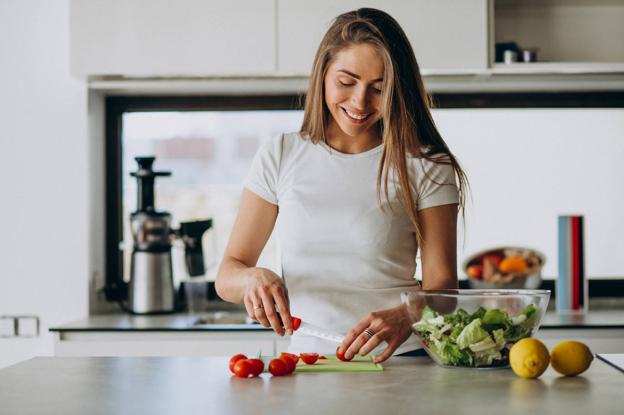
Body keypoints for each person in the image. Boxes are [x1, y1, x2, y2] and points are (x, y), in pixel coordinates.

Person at [215, 8, 468, 363]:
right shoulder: (281, 154)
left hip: (398, 362)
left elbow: (443, 292)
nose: (360, 102)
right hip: (306, 363)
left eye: (379, 89)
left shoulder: (426, 165)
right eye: (346, 83)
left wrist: (408, 314)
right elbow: (229, 272)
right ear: (322, 75)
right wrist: (252, 279)